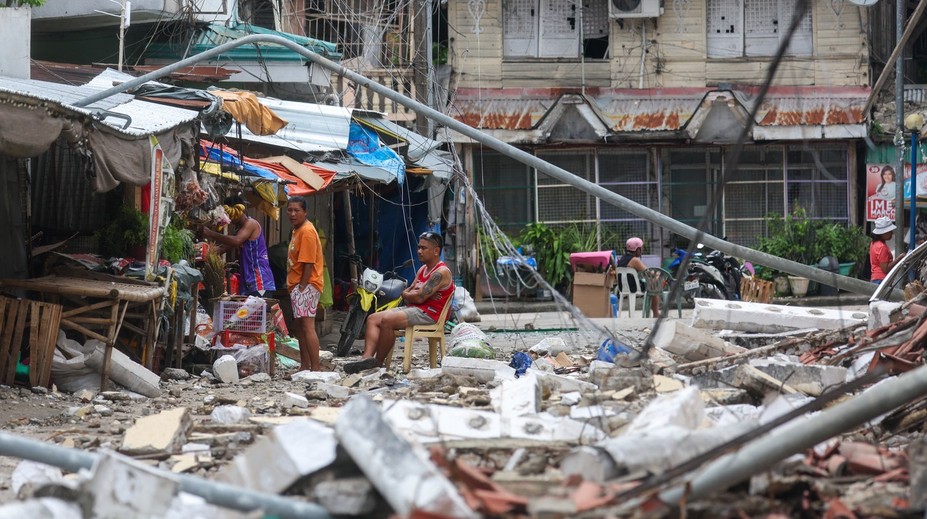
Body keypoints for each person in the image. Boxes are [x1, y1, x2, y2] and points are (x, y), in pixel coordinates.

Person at [344, 231, 455, 373]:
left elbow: (419, 297)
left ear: (436, 251)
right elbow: (409, 292)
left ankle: (378, 363)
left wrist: (412, 294)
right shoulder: (423, 269)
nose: (419, 251)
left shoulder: (441, 272)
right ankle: (367, 358)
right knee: (372, 319)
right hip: (414, 308)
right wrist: (412, 293)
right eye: (419, 247)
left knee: (387, 321)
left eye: (423, 248)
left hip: (429, 313)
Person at [201, 198, 275, 296]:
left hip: (259, 281)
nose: (230, 219)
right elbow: (222, 249)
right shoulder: (239, 230)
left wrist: (211, 233)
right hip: (248, 283)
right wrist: (202, 249)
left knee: (257, 306)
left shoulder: (251, 224)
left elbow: (236, 241)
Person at [286, 196, 324, 371]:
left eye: (297, 210)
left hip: (307, 285)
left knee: (307, 326)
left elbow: (308, 263)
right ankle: (304, 366)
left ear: (305, 212)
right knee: (300, 326)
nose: (293, 214)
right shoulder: (298, 229)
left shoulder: (307, 231)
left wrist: (301, 287)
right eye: (290, 210)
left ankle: (315, 368)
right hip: (299, 285)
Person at [614, 236, 660, 318]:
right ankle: (656, 313)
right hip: (634, 288)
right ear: (637, 249)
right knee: (654, 285)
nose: (642, 250)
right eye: (641, 248)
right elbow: (648, 273)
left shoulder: (622, 259)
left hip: (623, 288)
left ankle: (653, 312)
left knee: (652, 284)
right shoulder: (635, 260)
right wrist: (657, 275)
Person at [870, 216, 905, 284]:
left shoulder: (874, 243)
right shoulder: (882, 247)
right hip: (881, 279)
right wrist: (899, 258)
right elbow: (885, 269)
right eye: (890, 232)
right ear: (883, 233)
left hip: (876, 278)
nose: (892, 233)